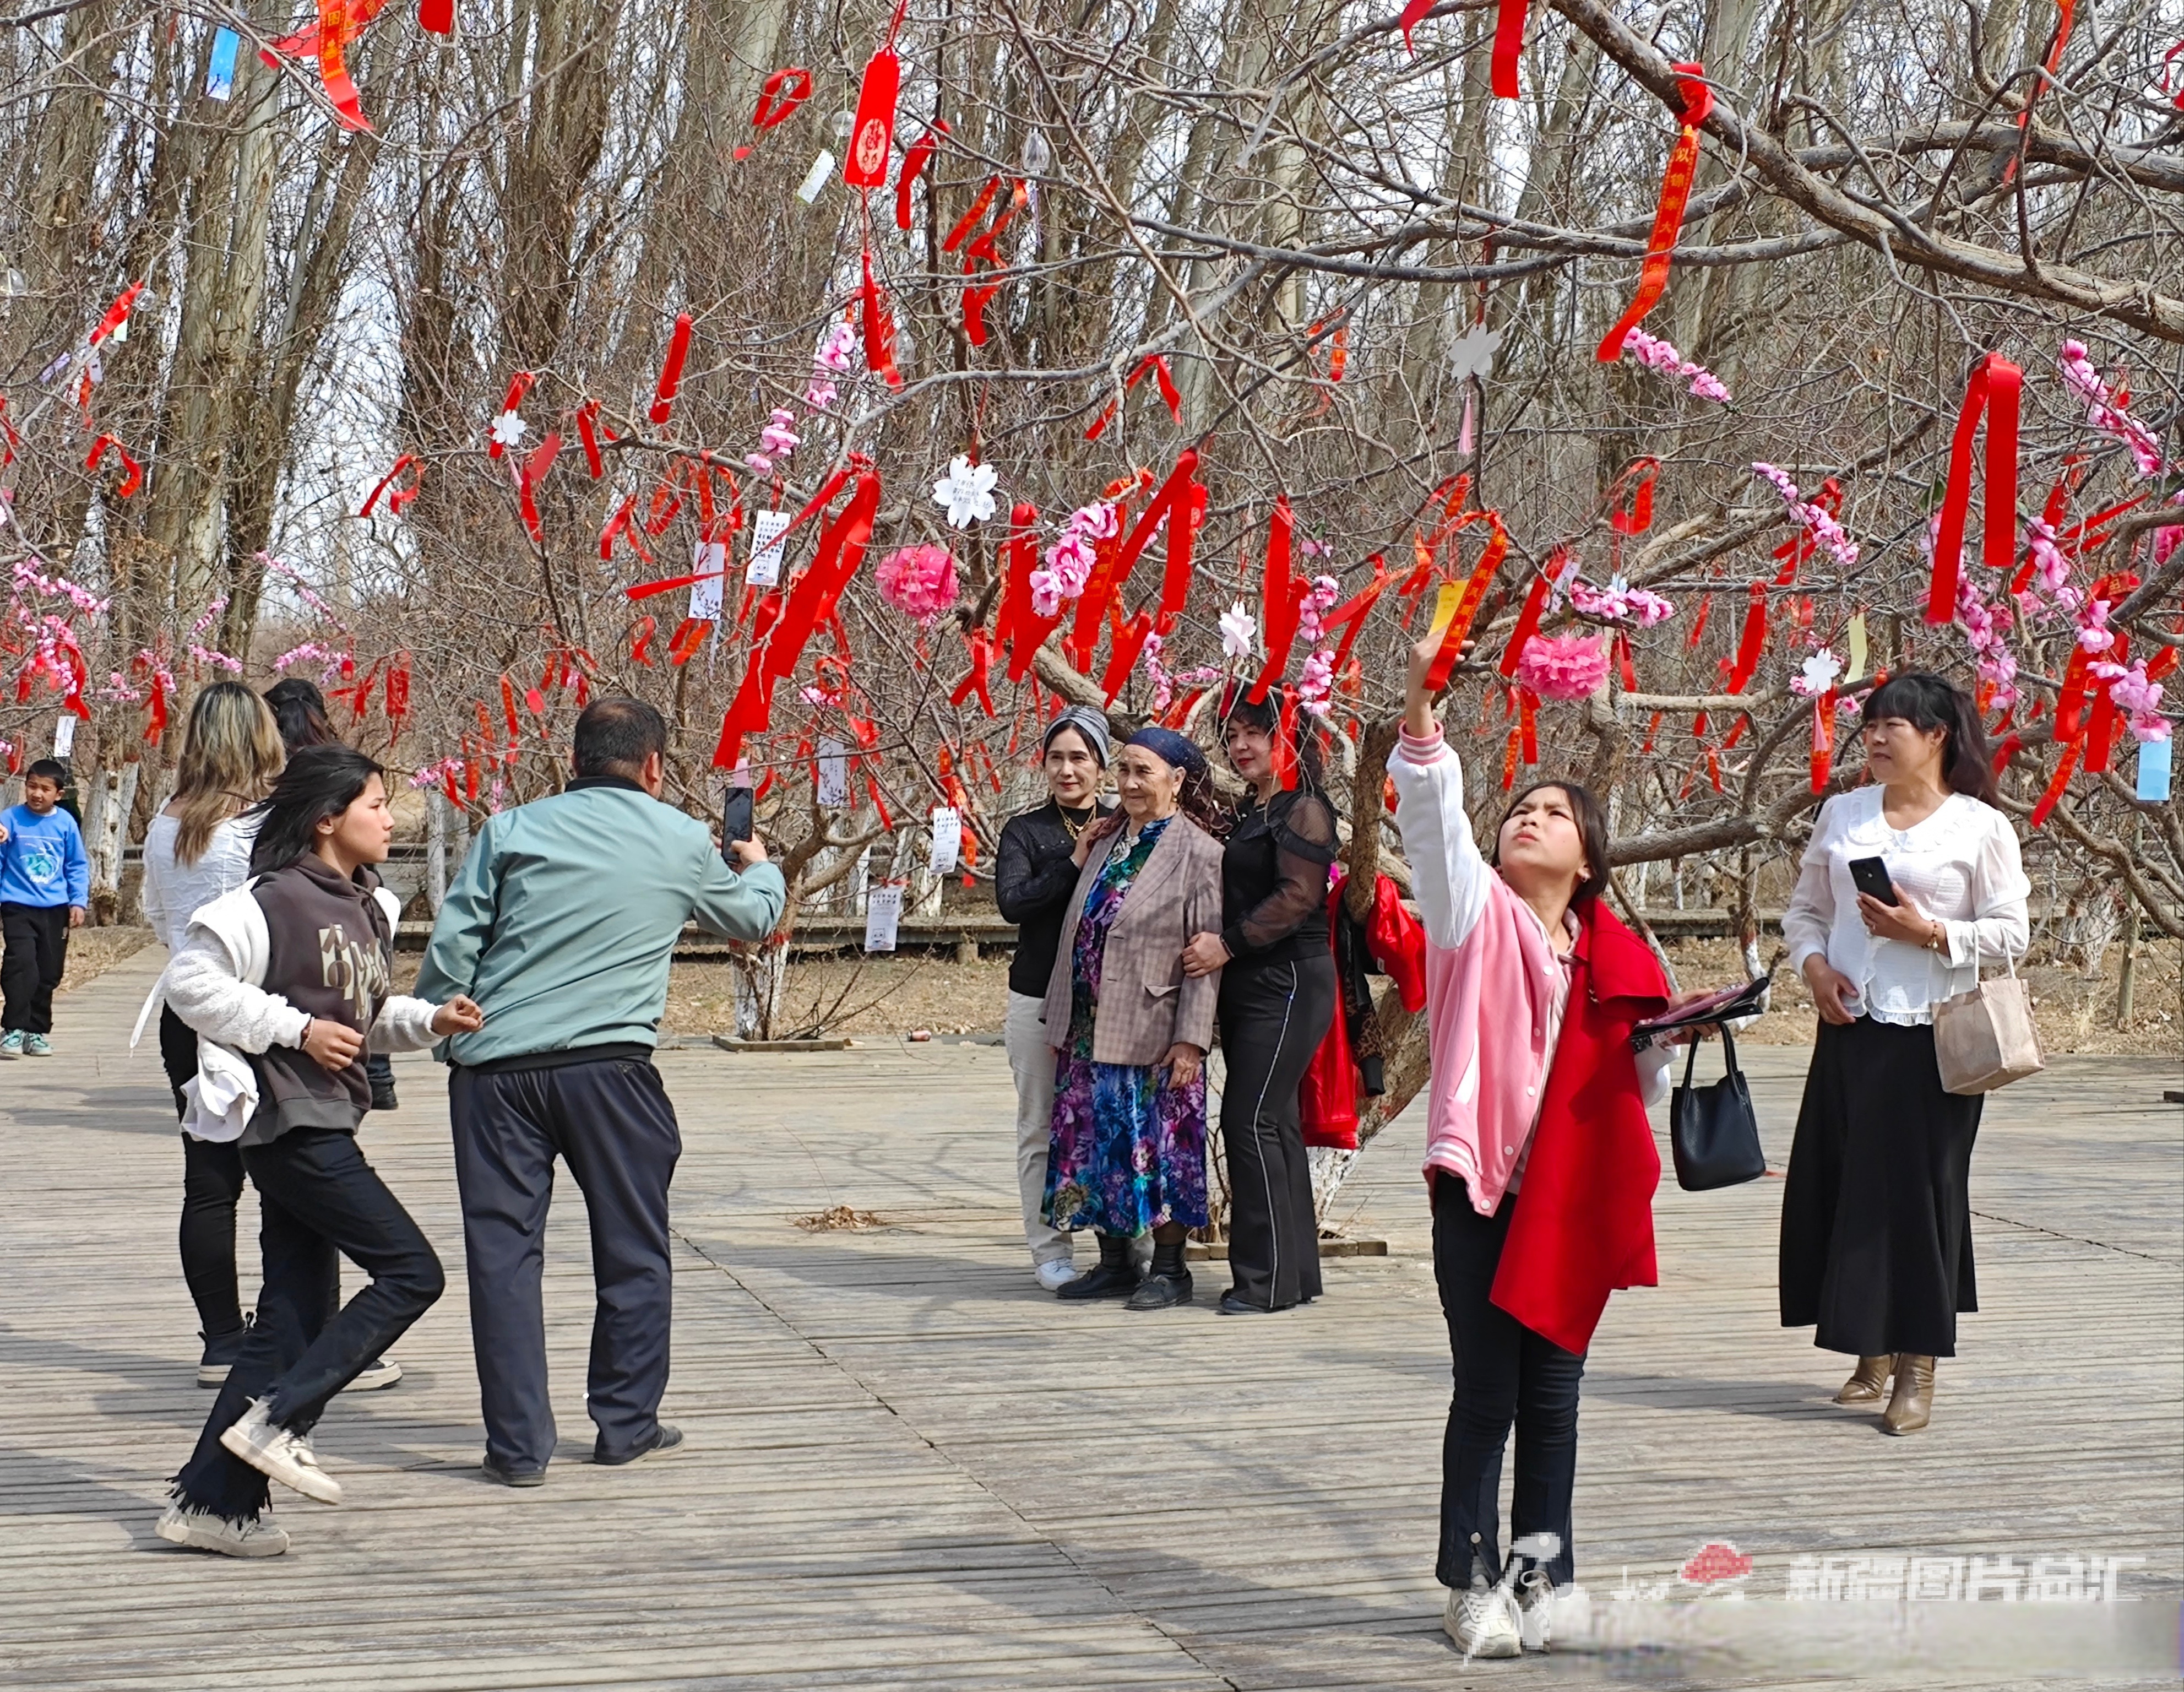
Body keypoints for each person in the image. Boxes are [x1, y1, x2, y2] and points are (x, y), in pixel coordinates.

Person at [1389, 634, 1692, 1659]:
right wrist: (1425, 696)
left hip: (1570, 1197)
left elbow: (1634, 1090)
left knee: (1554, 1400)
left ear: (1591, 857)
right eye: (1522, 806)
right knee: (1488, 1394)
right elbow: (1432, 819)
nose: (1531, 815)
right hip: (1481, 1189)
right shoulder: (1472, 912)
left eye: (1555, 812)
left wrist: (1665, 1038)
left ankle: (1543, 1576)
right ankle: (1467, 1582)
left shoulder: (1614, 952)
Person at [417, 697, 787, 1484]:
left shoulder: (510, 831)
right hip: (611, 1074)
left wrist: (437, 1020)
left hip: (495, 1071)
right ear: (653, 766)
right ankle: (625, 1423)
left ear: (573, 760)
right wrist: (762, 866)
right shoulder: (685, 839)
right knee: (632, 1251)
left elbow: (455, 945)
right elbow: (750, 922)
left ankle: (518, 1449)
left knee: (503, 1260)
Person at [155, 745, 482, 1558]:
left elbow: (357, 1017)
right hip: (288, 1125)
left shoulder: (372, 906)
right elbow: (189, 985)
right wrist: (292, 1029)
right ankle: (280, 1420)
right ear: (328, 818)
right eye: (376, 803)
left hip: (331, 1115)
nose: (390, 817)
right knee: (413, 1272)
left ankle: (211, 1504)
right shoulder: (268, 901)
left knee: (286, 1324)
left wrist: (428, 1021)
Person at [1780, 671, 2029, 1436]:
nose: (1877, 739)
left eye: (1894, 726)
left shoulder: (1978, 829)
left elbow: (2011, 934)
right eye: (1870, 726)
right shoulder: (1843, 813)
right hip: (1850, 1028)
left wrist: (1930, 934)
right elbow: (1804, 912)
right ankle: (1868, 1353)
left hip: (1934, 1036)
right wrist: (1814, 967)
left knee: (1920, 1198)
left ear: (1937, 736)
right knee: (1844, 1185)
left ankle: (1916, 1364)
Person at [138, 682, 308, 1388]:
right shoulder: (272, 826)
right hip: (266, 1013)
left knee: (209, 1185)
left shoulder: (162, 823)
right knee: (293, 1180)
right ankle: (291, 1331)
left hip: (187, 1013)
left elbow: (156, 914)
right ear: (264, 736)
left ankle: (221, 1340)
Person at [1041, 726, 1227, 1311]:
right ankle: (1115, 1263)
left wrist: (1191, 1042)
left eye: (1143, 772)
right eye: (1122, 770)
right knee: (1092, 1147)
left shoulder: (1200, 854)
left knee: (1161, 1150)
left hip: (1154, 1029)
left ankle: (1170, 1271)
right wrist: (1060, 1021)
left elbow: (1205, 959)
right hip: (1088, 1026)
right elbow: (1077, 931)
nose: (1128, 783)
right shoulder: (1107, 839)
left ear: (1177, 781)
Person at [1182, 685, 1340, 1315]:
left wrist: (1227, 944)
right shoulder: (1255, 807)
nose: (1242, 746)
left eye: (1256, 732)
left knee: (1249, 1121)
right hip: (1255, 981)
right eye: (1233, 735)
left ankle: (1261, 1281)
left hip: (1290, 978)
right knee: (1273, 1123)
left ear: (1290, 736)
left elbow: (1298, 897)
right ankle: (1291, 1277)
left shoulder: (1302, 809)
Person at [994, 706, 1117, 1292]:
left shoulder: (1125, 825)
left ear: (1101, 765)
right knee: (1039, 1125)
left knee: (1105, 1119)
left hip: (1108, 1000)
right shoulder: (1026, 831)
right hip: (1038, 995)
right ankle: (1050, 1251)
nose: (1068, 771)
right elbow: (1014, 903)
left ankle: (1122, 1249)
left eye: (1080, 758)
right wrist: (1073, 860)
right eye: (1057, 759)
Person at [262, 677, 400, 1113]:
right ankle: (377, 1075)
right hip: (351, 875)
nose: (389, 820)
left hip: (304, 868)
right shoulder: (335, 754)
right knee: (362, 965)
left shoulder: (270, 763)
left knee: (319, 971)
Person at [0, 757, 90, 1059]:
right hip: (16, 905)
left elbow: (76, 865)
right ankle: (13, 1029)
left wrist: (78, 901)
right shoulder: (10, 819)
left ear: (58, 794)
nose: (37, 794)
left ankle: (35, 1031)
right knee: (21, 964)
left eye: (45, 789)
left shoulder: (65, 823)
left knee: (49, 971)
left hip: (55, 908)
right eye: (32, 786)